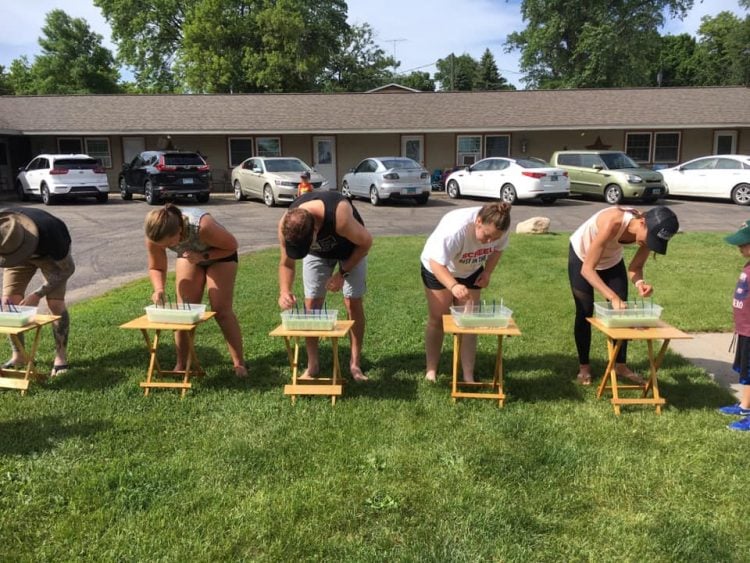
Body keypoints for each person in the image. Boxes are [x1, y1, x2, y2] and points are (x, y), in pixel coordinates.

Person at [569, 205, 679, 386]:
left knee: (621, 312)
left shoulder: (648, 236)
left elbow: (635, 268)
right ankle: (584, 367)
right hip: (582, 256)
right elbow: (587, 270)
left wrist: (640, 283)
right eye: (650, 238)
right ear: (642, 222)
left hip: (611, 260)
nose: (650, 244)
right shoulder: (613, 221)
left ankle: (620, 365)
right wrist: (612, 297)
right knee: (585, 310)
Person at [278, 191, 372, 382]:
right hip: (318, 255)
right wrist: (284, 290)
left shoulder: (340, 216)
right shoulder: (285, 225)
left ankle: (355, 364)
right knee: (311, 307)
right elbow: (286, 263)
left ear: (315, 231)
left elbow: (366, 243)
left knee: (352, 302)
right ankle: (313, 366)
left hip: (352, 249)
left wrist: (342, 273)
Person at [144, 204, 247, 377]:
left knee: (221, 309)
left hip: (221, 255)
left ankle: (239, 364)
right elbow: (156, 267)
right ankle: (182, 364)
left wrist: (203, 256)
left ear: (179, 230)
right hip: (189, 255)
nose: (167, 247)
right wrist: (159, 289)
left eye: (169, 243)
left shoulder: (201, 225)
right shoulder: (154, 236)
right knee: (184, 309)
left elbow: (232, 246)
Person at [420, 202, 512, 383]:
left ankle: (468, 375)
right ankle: (431, 371)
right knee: (438, 318)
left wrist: (487, 272)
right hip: (437, 266)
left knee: (469, 321)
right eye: (486, 236)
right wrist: (453, 286)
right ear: (478, 222)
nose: (489, 241)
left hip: (471, 269)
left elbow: (498, 249)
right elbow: (436, 264)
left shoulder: (501, 227)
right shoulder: (456, 230)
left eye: (494, 238)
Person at [0, 208, 75, 376]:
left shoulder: (53, 235)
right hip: (14, 252)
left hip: (50, 257)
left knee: (55, 304)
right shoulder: (4, 230)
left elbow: (67, 270)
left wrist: (37, 294)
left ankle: (60, 357)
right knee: (8, 303)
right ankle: (19, 356)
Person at [719, 220, 750, 431]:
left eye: (743, 243)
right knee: (747, 373)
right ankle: (745, 406)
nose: (739, 247)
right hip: (745, 329)